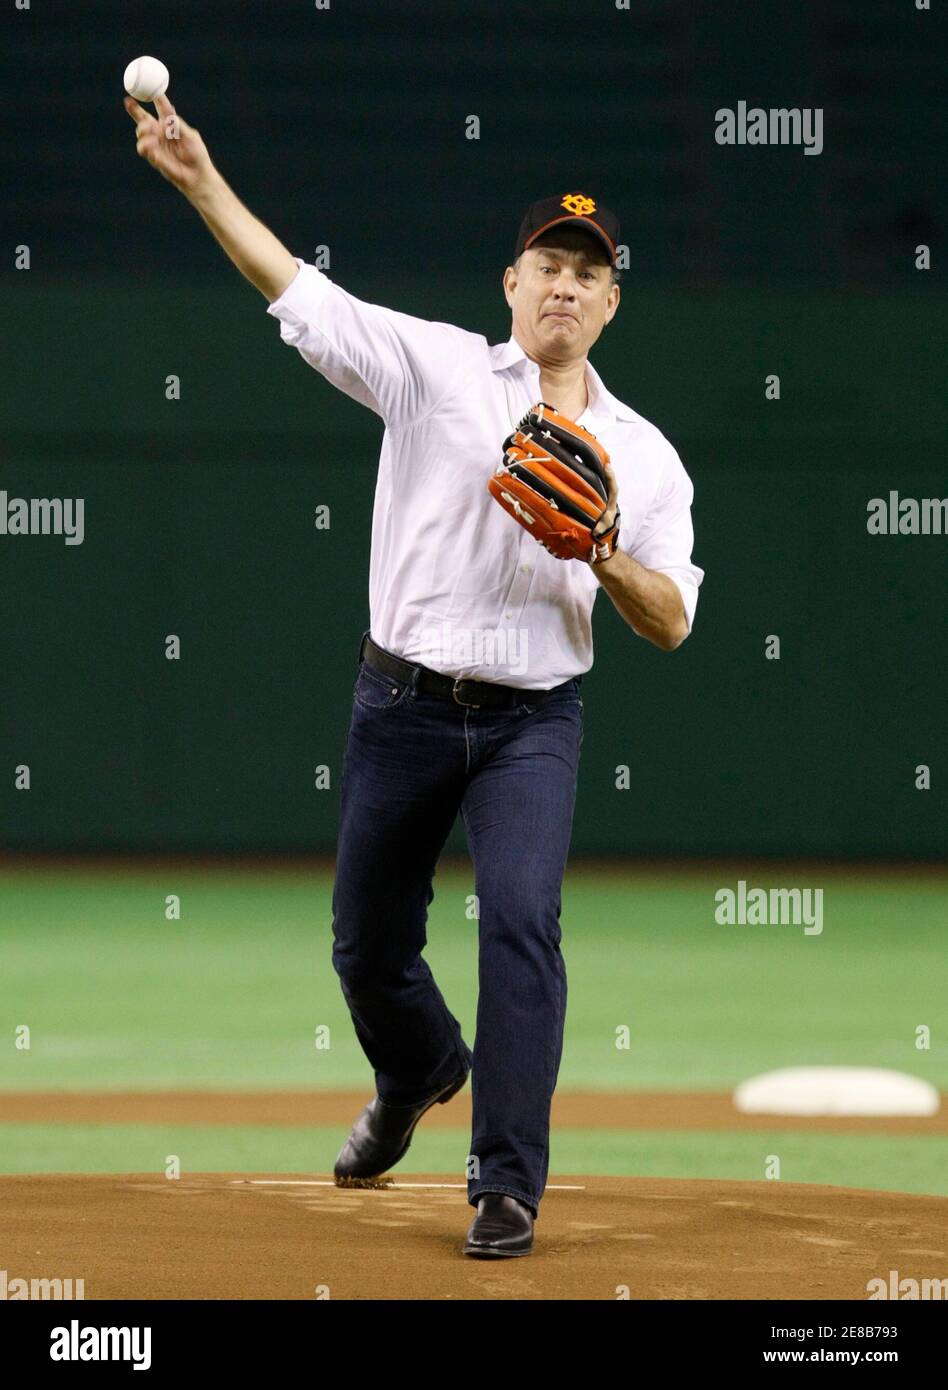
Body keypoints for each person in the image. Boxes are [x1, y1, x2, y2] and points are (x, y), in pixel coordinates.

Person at [125, 92, 704, 1259]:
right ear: (511, 282)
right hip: (401, 705)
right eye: (549, 262)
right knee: (366, 943)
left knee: (524, 924)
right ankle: (418, 1069)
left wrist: (600, 547)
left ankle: (504, 1185)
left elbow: (675, 619)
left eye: (589, 274)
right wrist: (197, 179)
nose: (565, 287)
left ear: (611, 303)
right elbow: (294, 287)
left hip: (532, 721)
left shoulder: (641, 455)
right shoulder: (432, 372)